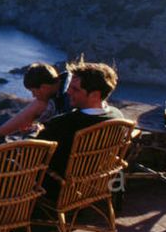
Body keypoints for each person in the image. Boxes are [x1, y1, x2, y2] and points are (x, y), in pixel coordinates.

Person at [37, 62, 125, 192]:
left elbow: (36, 154)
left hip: (62, 187)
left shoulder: (63, 124)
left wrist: (40, 131)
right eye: (69, 86)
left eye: (75, 89)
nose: (67, 92)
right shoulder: (117, 117)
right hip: (95, 183)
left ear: (95, 95)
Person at [0, 62, 72, 139]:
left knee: (39, 103)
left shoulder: (67, 98)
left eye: (33, 91)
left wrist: (36, 130)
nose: (33, 96)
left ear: (44, 87)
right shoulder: (61, 85)